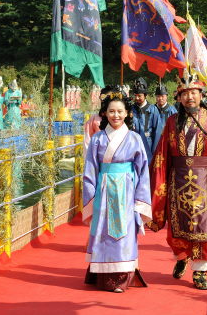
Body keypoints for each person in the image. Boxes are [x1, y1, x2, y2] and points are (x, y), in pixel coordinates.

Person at [148, 72, 207, 290]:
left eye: (194, 93)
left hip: (205, 182)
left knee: (204, 227)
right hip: (176, 181)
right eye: (185, 93)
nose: (190, 97)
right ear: (179, 98)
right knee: (177, 224)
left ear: (201, 95)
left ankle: (200, 271)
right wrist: (157, 182)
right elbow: (162, 155)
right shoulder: (171, 122)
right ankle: (181, 256)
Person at [83, 85, 152, 293]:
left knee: (125, 233)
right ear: (104, 113)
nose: (116, 115)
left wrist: (140, 202)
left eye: (120, 111)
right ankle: (103, 278)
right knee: (104, 232)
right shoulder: (97, 139)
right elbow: (89, 171)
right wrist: (91, 197)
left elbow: (143, 172)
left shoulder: (134, 138)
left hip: (126, 192)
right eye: (111, 111)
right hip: (104, 192)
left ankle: (122, 278)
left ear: (127, 113)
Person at [132, 77, 163, 163]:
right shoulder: (130, 109)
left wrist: (154, 153)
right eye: (135, 96)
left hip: (148, 149)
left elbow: (157, 132)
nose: (137, 98)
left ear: (146, 95)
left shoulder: (153, 110)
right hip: (132, 148)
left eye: (139, 96)